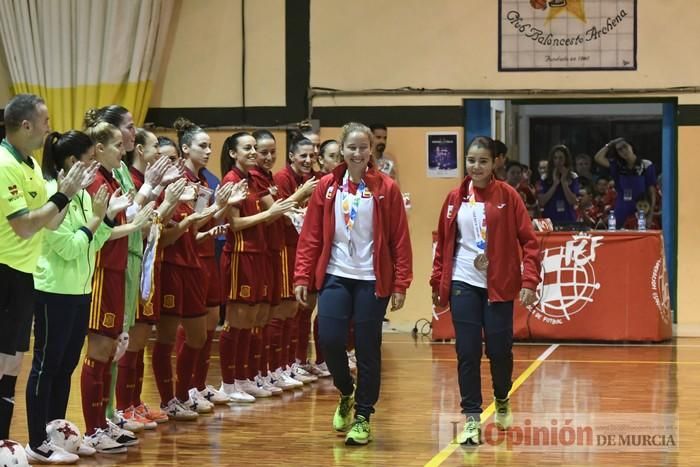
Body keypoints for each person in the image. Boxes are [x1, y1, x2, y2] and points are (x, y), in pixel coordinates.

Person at [294, 122, 413, 446]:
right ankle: (346, 391)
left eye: (364, 147)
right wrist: (302, 275)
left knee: (367, 349)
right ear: (342, 150)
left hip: (372, 280)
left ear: (371, 150)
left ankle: (363, 416)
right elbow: (311, 236)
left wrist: (401, 282)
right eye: (352, 147)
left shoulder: (385, 188)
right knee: (328, 339)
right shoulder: (327, 186)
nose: (358, 153)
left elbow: (400, 239)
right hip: (335, 274)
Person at [25, 131, 131, 463]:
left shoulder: (85, 197)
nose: (94, 167)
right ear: (73, 163)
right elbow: (70, 248)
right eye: (89, 161)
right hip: (52, 291)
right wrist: (99, 220)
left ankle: (59, 434)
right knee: (46, 366)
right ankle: (37, 441)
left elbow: (94, 244)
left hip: (80, 290)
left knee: (66, 365)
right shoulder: (52, 196)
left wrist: (106, 217)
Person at [431, 136, 541, 446]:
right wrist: (438, 281)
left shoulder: (508, 196)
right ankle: (471, 418)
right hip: (463, 284)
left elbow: (529, 243)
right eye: (470, 160)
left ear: (494, 163)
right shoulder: (455, 198)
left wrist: (530, 281)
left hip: (499, 286)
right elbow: (443, 243)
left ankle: (502, 396)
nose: (475, 166)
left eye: (482, 161)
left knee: (499, 351)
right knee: (467, 352)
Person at [0, 94, 92, 441]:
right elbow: (24, 226)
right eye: (45, 121)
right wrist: (63, 195)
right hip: (5, 272)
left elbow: (50, 223)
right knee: (5, 364)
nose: (48, 129)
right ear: (25, 125)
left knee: (11, 364)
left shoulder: (31, 166)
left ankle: (7, 441)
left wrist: (70, 193)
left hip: (23, 277)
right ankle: (17, 441)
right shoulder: (4, 164)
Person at [79, 115, 153, 453]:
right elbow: (101, 232)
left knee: (110, 350)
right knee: (98, 351)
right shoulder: (96, 181)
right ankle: (93, 428)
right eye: (116, 147)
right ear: (98, 149)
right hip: (102, 271)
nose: (122, 152)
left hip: (118, 268)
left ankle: (102, 423)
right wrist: (136, 219)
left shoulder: (111, 178)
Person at [218, 132, 296, 402]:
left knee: (253, 320)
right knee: (238, 321)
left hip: (259, 253)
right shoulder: (230, 181)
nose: (253, 152)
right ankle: (228, 384)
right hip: (241, 255)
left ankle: (245, 377)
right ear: (232, 153)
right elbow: (235, 224)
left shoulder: (251, 179)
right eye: (247, 148)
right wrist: (269, 214)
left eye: (254, 147)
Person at [593, 137, 656, 229]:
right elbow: (598, 158)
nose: (623, 151)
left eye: (625, 147)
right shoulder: (618, 165)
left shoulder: (646, 165)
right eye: (619, 150)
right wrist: (610, 144)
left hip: (641, 208)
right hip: (622, 208)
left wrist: (650, 214)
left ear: (631, 146)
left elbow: (652, 192)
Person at [536, 144, 579, 223]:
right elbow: (541, 202)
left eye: (561, 158)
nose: (558, 161)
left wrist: (563, 182)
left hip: (568, 218)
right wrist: (555, 184)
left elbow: (573, 201)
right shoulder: (544, 177)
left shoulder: (573, 176)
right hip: (550, 220)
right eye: (555, 158)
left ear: (566, 159)